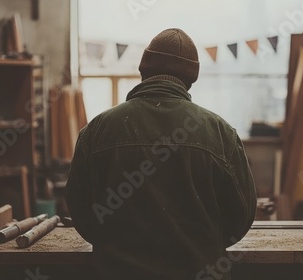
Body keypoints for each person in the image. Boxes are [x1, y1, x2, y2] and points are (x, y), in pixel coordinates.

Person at [66, 28, 257, 280]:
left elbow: (80, 210)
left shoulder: (98, 129)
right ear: (192, 77)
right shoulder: (220, 133)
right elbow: (241, 216)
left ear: (143, 69)